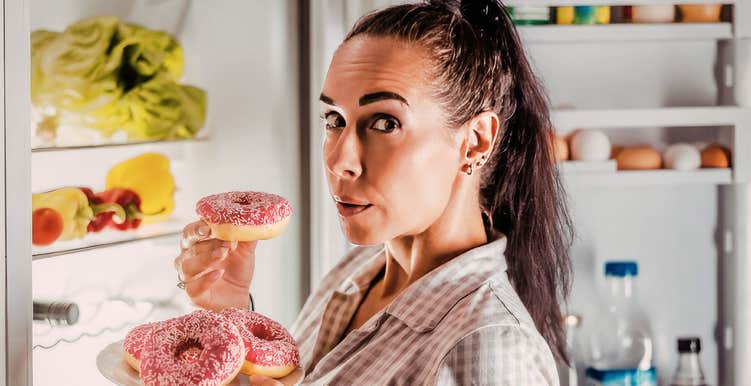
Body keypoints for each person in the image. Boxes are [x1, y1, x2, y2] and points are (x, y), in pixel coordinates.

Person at [175, 0, 573, 384]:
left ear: (474, 143)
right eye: (334, 119)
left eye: (384, 122)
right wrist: (232, 313)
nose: (338, 160)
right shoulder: (354, 277)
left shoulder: (489, 349)